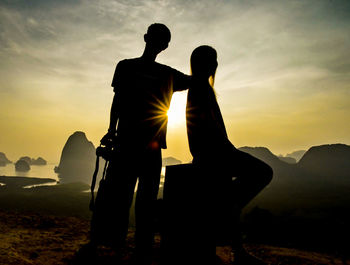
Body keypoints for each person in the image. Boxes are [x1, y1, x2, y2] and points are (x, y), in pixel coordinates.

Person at [88, 23, 190, 264]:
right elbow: (195, 81)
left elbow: (117, 102)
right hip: (148, 146)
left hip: (129, 143)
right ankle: (138, 247)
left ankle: (119, 243)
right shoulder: (166, 74)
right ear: (164, 45)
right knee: (143, 199)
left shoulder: (127, 67)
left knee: (123, 196)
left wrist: (112, 130)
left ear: (147, 38)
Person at [186, 45, 273, 265]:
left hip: (214, 153)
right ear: (202, 63)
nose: (215, 64)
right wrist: (223, 151)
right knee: (263, 172)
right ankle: (234, 234)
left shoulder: (201, 88)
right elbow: (205, 129)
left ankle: (236, 245)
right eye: (211, 60)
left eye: (215, 60)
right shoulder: (200, 88)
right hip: (215, 154)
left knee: (231, 197)